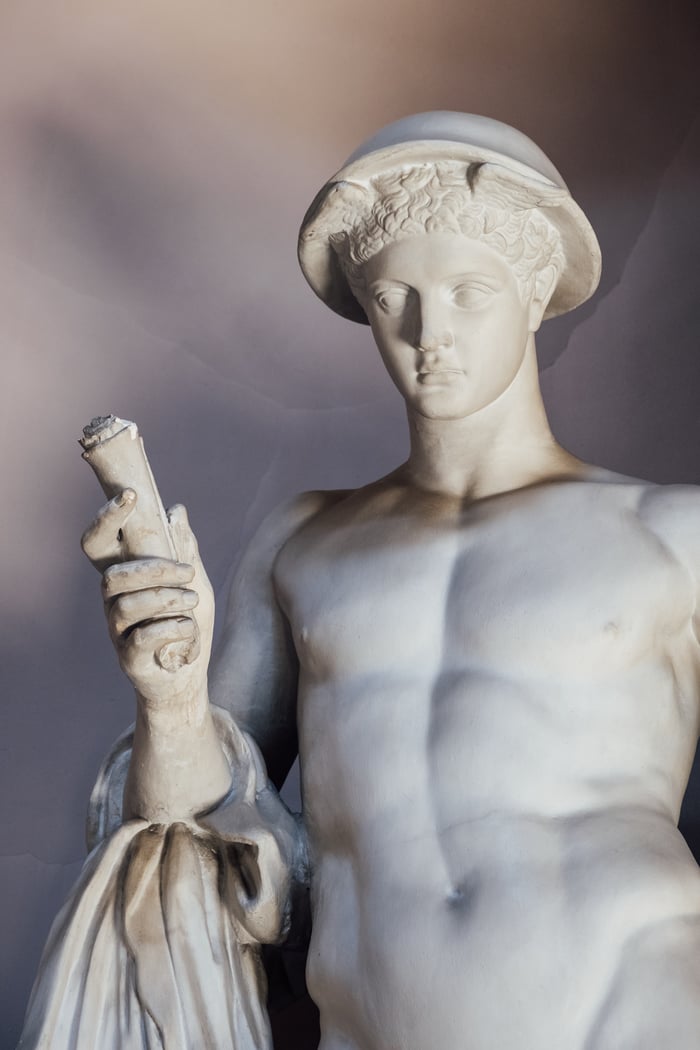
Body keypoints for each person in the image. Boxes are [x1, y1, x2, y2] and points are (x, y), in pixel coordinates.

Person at [21, 112, 700, 1049]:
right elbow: (198, 844)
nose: (430, 332)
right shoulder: (306, 541)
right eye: (394, 297)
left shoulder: (672, 533)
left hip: (632, 1015)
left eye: (468, 292)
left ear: (535, 290)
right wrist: (170, 699)